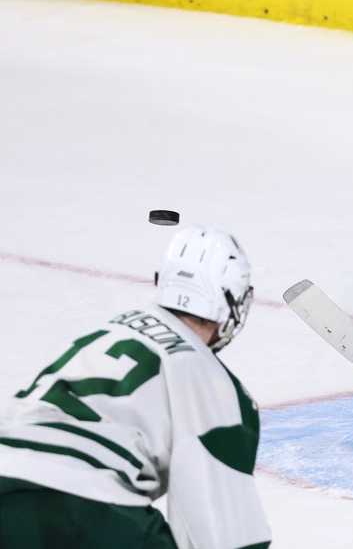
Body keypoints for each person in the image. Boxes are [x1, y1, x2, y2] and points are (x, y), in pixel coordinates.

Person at [0, 226, 271, 548]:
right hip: (90, 504)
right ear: (231, 300)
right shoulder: (212, 380)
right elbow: (225, 530)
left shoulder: (107, 331)